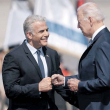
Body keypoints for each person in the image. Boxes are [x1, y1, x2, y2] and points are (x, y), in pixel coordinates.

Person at [2, 15, 73, 110]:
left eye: (47, 30)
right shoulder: (14, 56)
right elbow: (10, 90)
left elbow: (59, 85)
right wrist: (37, 87)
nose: (47, 34)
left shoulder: (52, 54)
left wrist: (81, 103)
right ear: (29, 35)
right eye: (41, 31)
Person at [52, 2, 110, 110]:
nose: (78, 26)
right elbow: (90, 76)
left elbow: (105, 80)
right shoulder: (99, 40)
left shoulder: (104, 43)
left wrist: (79, 85)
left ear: (90, 20)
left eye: (79, 22)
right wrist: (64, 80)